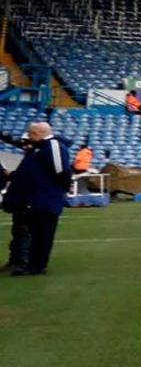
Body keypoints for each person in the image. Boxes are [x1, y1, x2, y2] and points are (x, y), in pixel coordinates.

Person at [6, 118, 70, 276]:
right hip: (36, 198)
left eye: (30, 133)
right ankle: (32, 264)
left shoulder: (52, 146)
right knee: (35, 233)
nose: (28, 136)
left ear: (38, 133)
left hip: (46, 198)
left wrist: (57, 190)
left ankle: (37, 266)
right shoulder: (38, 148)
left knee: (43, 233)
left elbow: (61, 170)